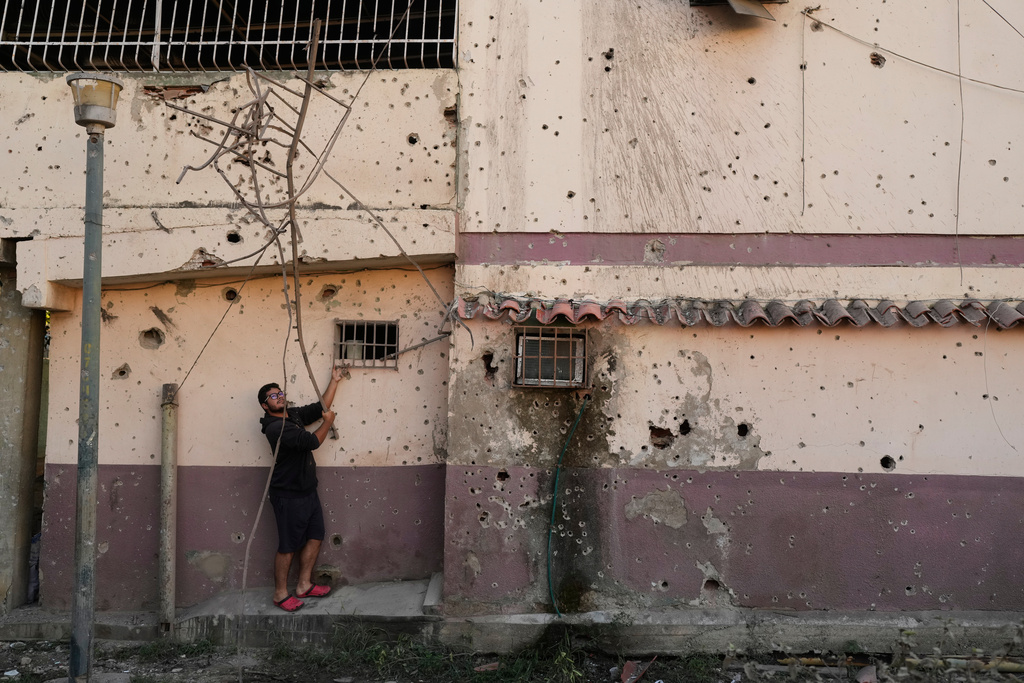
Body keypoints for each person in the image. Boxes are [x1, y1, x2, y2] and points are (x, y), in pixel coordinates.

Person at [257, 363, 348, 612]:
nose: (279, 397)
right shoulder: (276, 428)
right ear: (265, 405)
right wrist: (328, 423)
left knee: (315, 535)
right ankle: (279, 594)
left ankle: (304, 585)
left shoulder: (292, 416)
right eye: (273, 396)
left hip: (308, 490)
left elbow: (320, 409)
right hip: (288, 494)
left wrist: (335, 380)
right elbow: (311, 442)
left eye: (280, 393)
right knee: (288, 545)